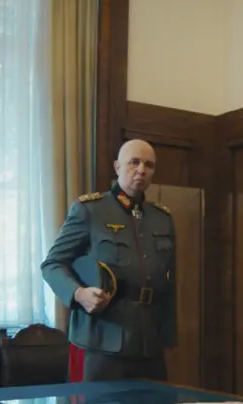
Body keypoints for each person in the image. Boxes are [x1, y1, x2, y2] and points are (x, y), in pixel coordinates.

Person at [41, 139, 176, 381]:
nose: (142, 169)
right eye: (134, 162)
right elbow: (52, 264)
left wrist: (167, 335)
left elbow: (169, 281)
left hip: (149, 342)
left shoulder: (162, 218)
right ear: (117, 167)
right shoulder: (90, 210)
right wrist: (79, 294)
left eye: (149, 165)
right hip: (103, 338)